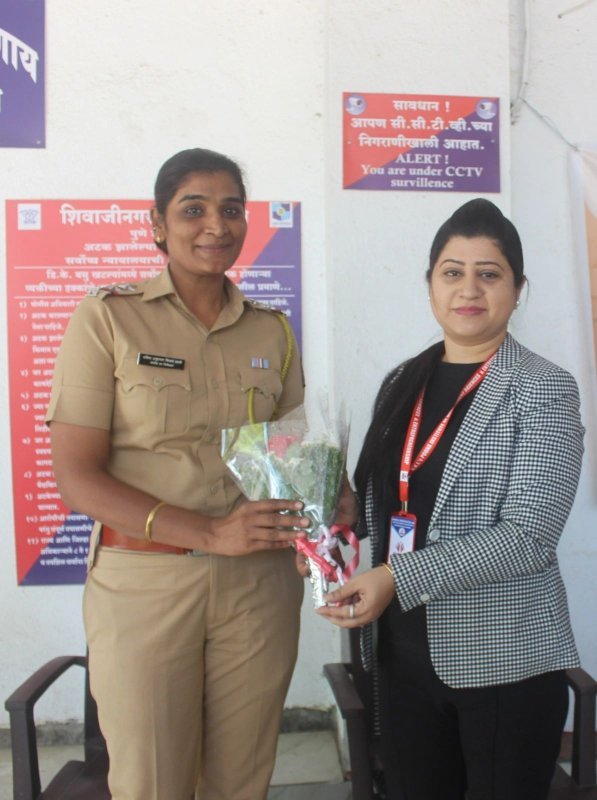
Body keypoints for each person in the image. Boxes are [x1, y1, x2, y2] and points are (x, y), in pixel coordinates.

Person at [46, 148, 312, 800]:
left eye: (229, 209)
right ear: (157, 224)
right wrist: (207, 531)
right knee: (151, 783)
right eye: (192, 209)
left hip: (258, 588)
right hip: (145, 585)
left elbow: (290, 459)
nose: (214, 225)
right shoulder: (108, 317)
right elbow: (76, 478)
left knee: (239, 781)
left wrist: (327, 507)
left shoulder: (270, 331)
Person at [318, 199, 584, 800]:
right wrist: (329, 524)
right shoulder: (402, 380)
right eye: (452, 271)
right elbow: (381, 505)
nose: (469, 288)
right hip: (401, 658)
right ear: (430, 283)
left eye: (489, 274)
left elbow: (529, 537)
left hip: (503, 659)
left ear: (517, 289)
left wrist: (393, 576)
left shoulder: (543, 389)